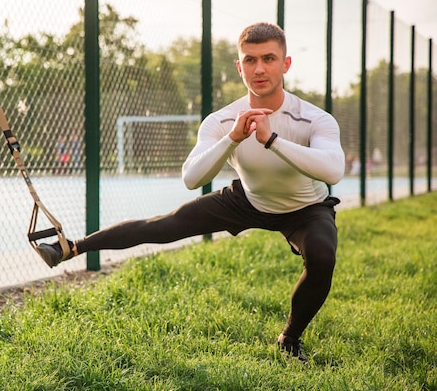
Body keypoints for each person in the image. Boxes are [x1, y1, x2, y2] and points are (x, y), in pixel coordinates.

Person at [36, 22, 345, 362]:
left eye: (269, 58)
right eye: (250, 60)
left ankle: (289, 338)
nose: (259, 68)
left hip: (306, 207)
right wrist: (233, 139)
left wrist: (272, 140)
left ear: (285, 64)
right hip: (248, 199)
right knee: (163, 226)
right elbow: (191, 177)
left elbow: (333, 170)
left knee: (322, 256)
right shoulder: (222, 121)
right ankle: (71, 247)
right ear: (239, 67)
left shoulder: (314, 119)